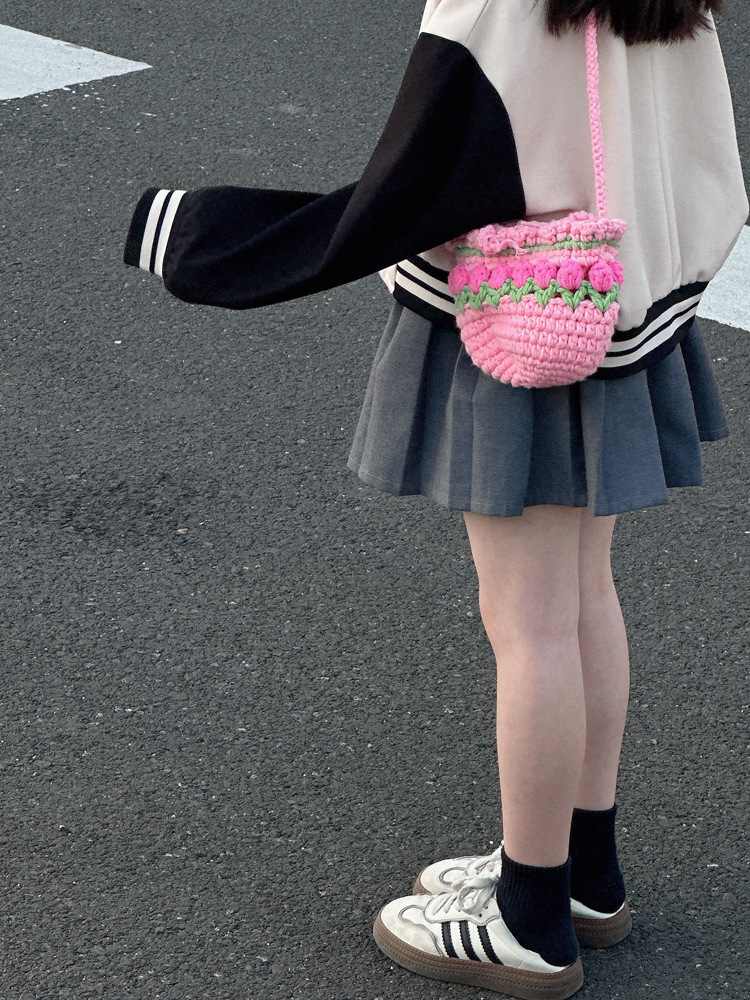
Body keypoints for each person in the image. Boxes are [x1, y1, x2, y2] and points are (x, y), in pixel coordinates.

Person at [123, 1, 746, 997]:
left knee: (530, 625)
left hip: (517, 320)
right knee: (585, 596)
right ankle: (585, 873)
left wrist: (217, 239)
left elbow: (417, 181)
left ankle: (531, 916)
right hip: (620, 300)